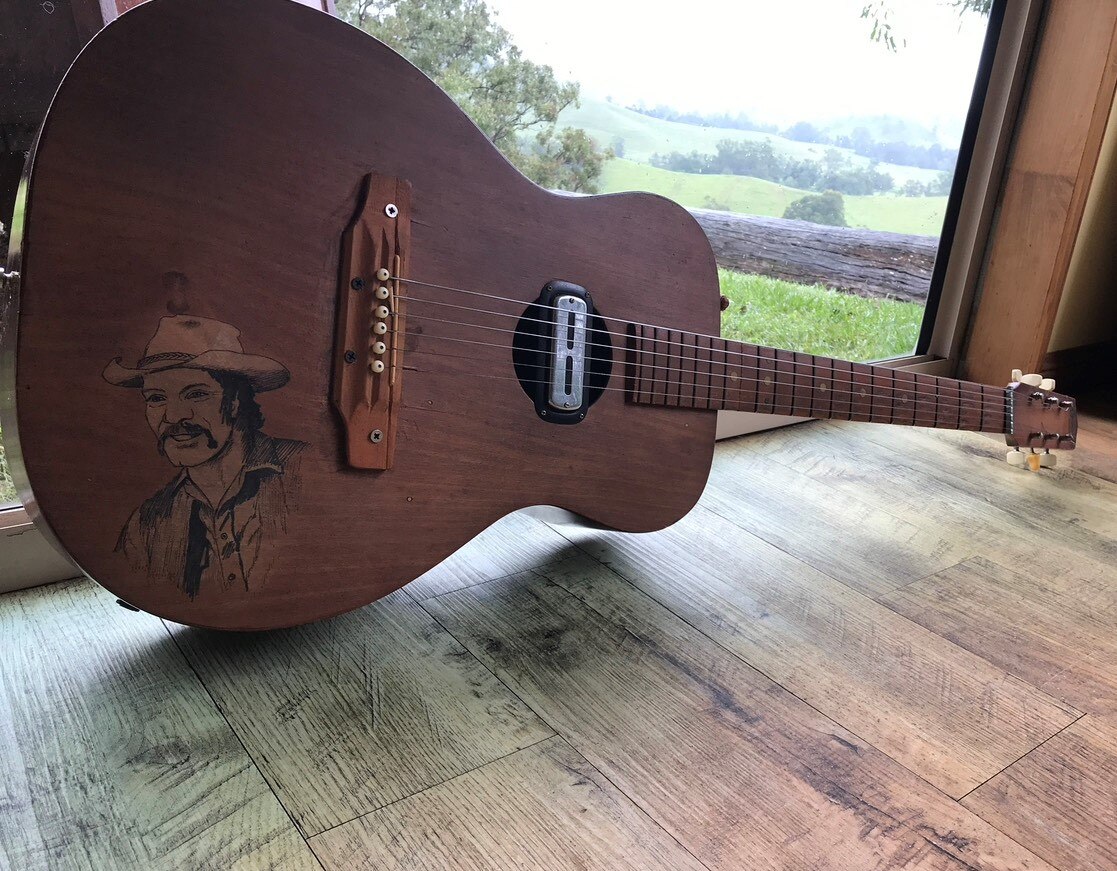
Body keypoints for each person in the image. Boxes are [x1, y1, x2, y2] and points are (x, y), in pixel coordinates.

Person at [103, 315, 307, 599]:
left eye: (196, 394)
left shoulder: (309, 473)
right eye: (156, 398)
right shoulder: (148, 525)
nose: (174, 416)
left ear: (235, 401)